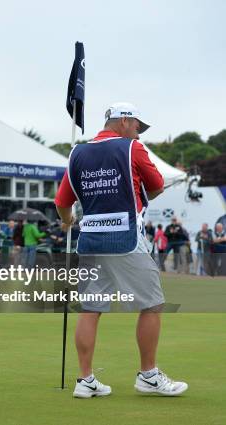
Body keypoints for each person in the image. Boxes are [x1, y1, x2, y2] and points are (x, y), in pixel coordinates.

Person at [54, 102, 187, 398]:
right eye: (137, 125)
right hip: (125, 237)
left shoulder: (77, 152)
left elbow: (62, 203)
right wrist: (138, 194)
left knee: (91, 307)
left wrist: (68, 222)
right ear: (124, 121)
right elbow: (156, 187)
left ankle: (85, 380)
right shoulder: (131, 148)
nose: (139, 132)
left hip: (89, 238)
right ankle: (149, 375)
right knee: (152, 303)